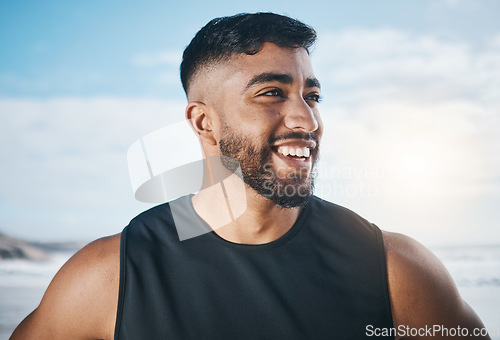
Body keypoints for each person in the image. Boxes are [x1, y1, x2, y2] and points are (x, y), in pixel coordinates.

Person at [11, 12, 490, 340]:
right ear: (204, 122)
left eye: (312, 95)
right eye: (271, 93)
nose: (306, 119)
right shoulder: (108, 277)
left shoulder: (396, 270)